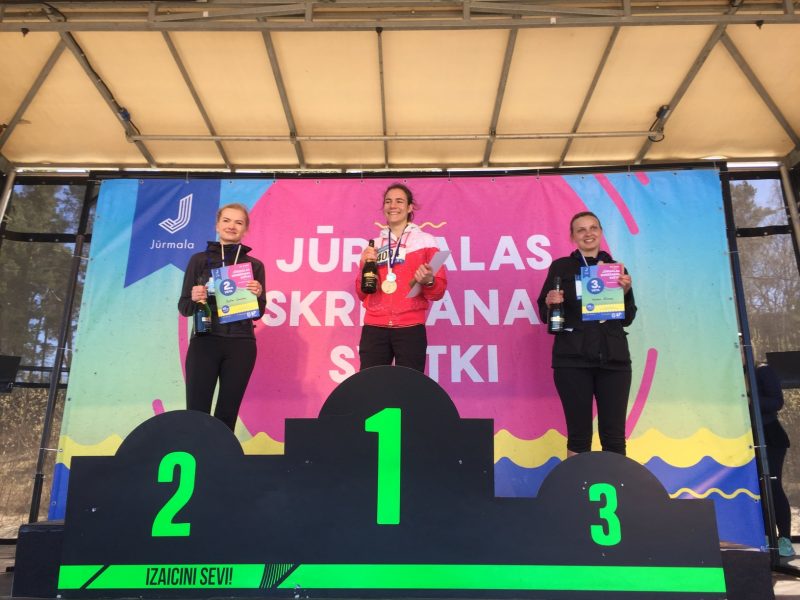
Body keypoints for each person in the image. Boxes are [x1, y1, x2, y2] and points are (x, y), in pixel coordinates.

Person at [536, 211, 636, 456]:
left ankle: (615, 481)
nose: (588, 233)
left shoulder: (615, 269)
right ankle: (576, 483)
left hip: (614, 361)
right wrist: (550, 302)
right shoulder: (561, 267)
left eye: (593, 228)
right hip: (572, 361)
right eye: (581, 230)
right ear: (573, 236)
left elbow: (628, 318)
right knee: (579, 436)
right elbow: (544, 313)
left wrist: (624, 293)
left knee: (614, 438)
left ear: (601, 233)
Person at [178, 203, 266, 431]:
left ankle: (222, 452)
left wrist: (257, 295)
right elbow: (184, 307)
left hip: (241, 344)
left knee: (227, 413)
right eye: (226, 220)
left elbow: (259, 312)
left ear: (245, 229)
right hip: (205, 340)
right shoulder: (199, 261)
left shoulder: (254, 266)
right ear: (217, 225)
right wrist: (195, 297)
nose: (231, 226)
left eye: (238, 222)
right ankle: (197, 452)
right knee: (196, 411)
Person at [356, 183, 447, 372]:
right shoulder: (374, 245)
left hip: (410, 327)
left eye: (399, 201)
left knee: (409, 386)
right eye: (388, 201)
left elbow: (438, 291)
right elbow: (361, 293)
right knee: (370, 385)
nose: (393, 206)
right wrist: (364, 266)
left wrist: (429, 281)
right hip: (374, 327)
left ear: (410, 207)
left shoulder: (426, 241)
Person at [756, 363, 794, 558]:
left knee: (772, 485)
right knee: (755, 488)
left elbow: (776, 402)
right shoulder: (730, 374)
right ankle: (764, 536)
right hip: (746, 439)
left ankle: (784, 539)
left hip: (770, 437)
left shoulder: (762, 370)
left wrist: (748, 398)